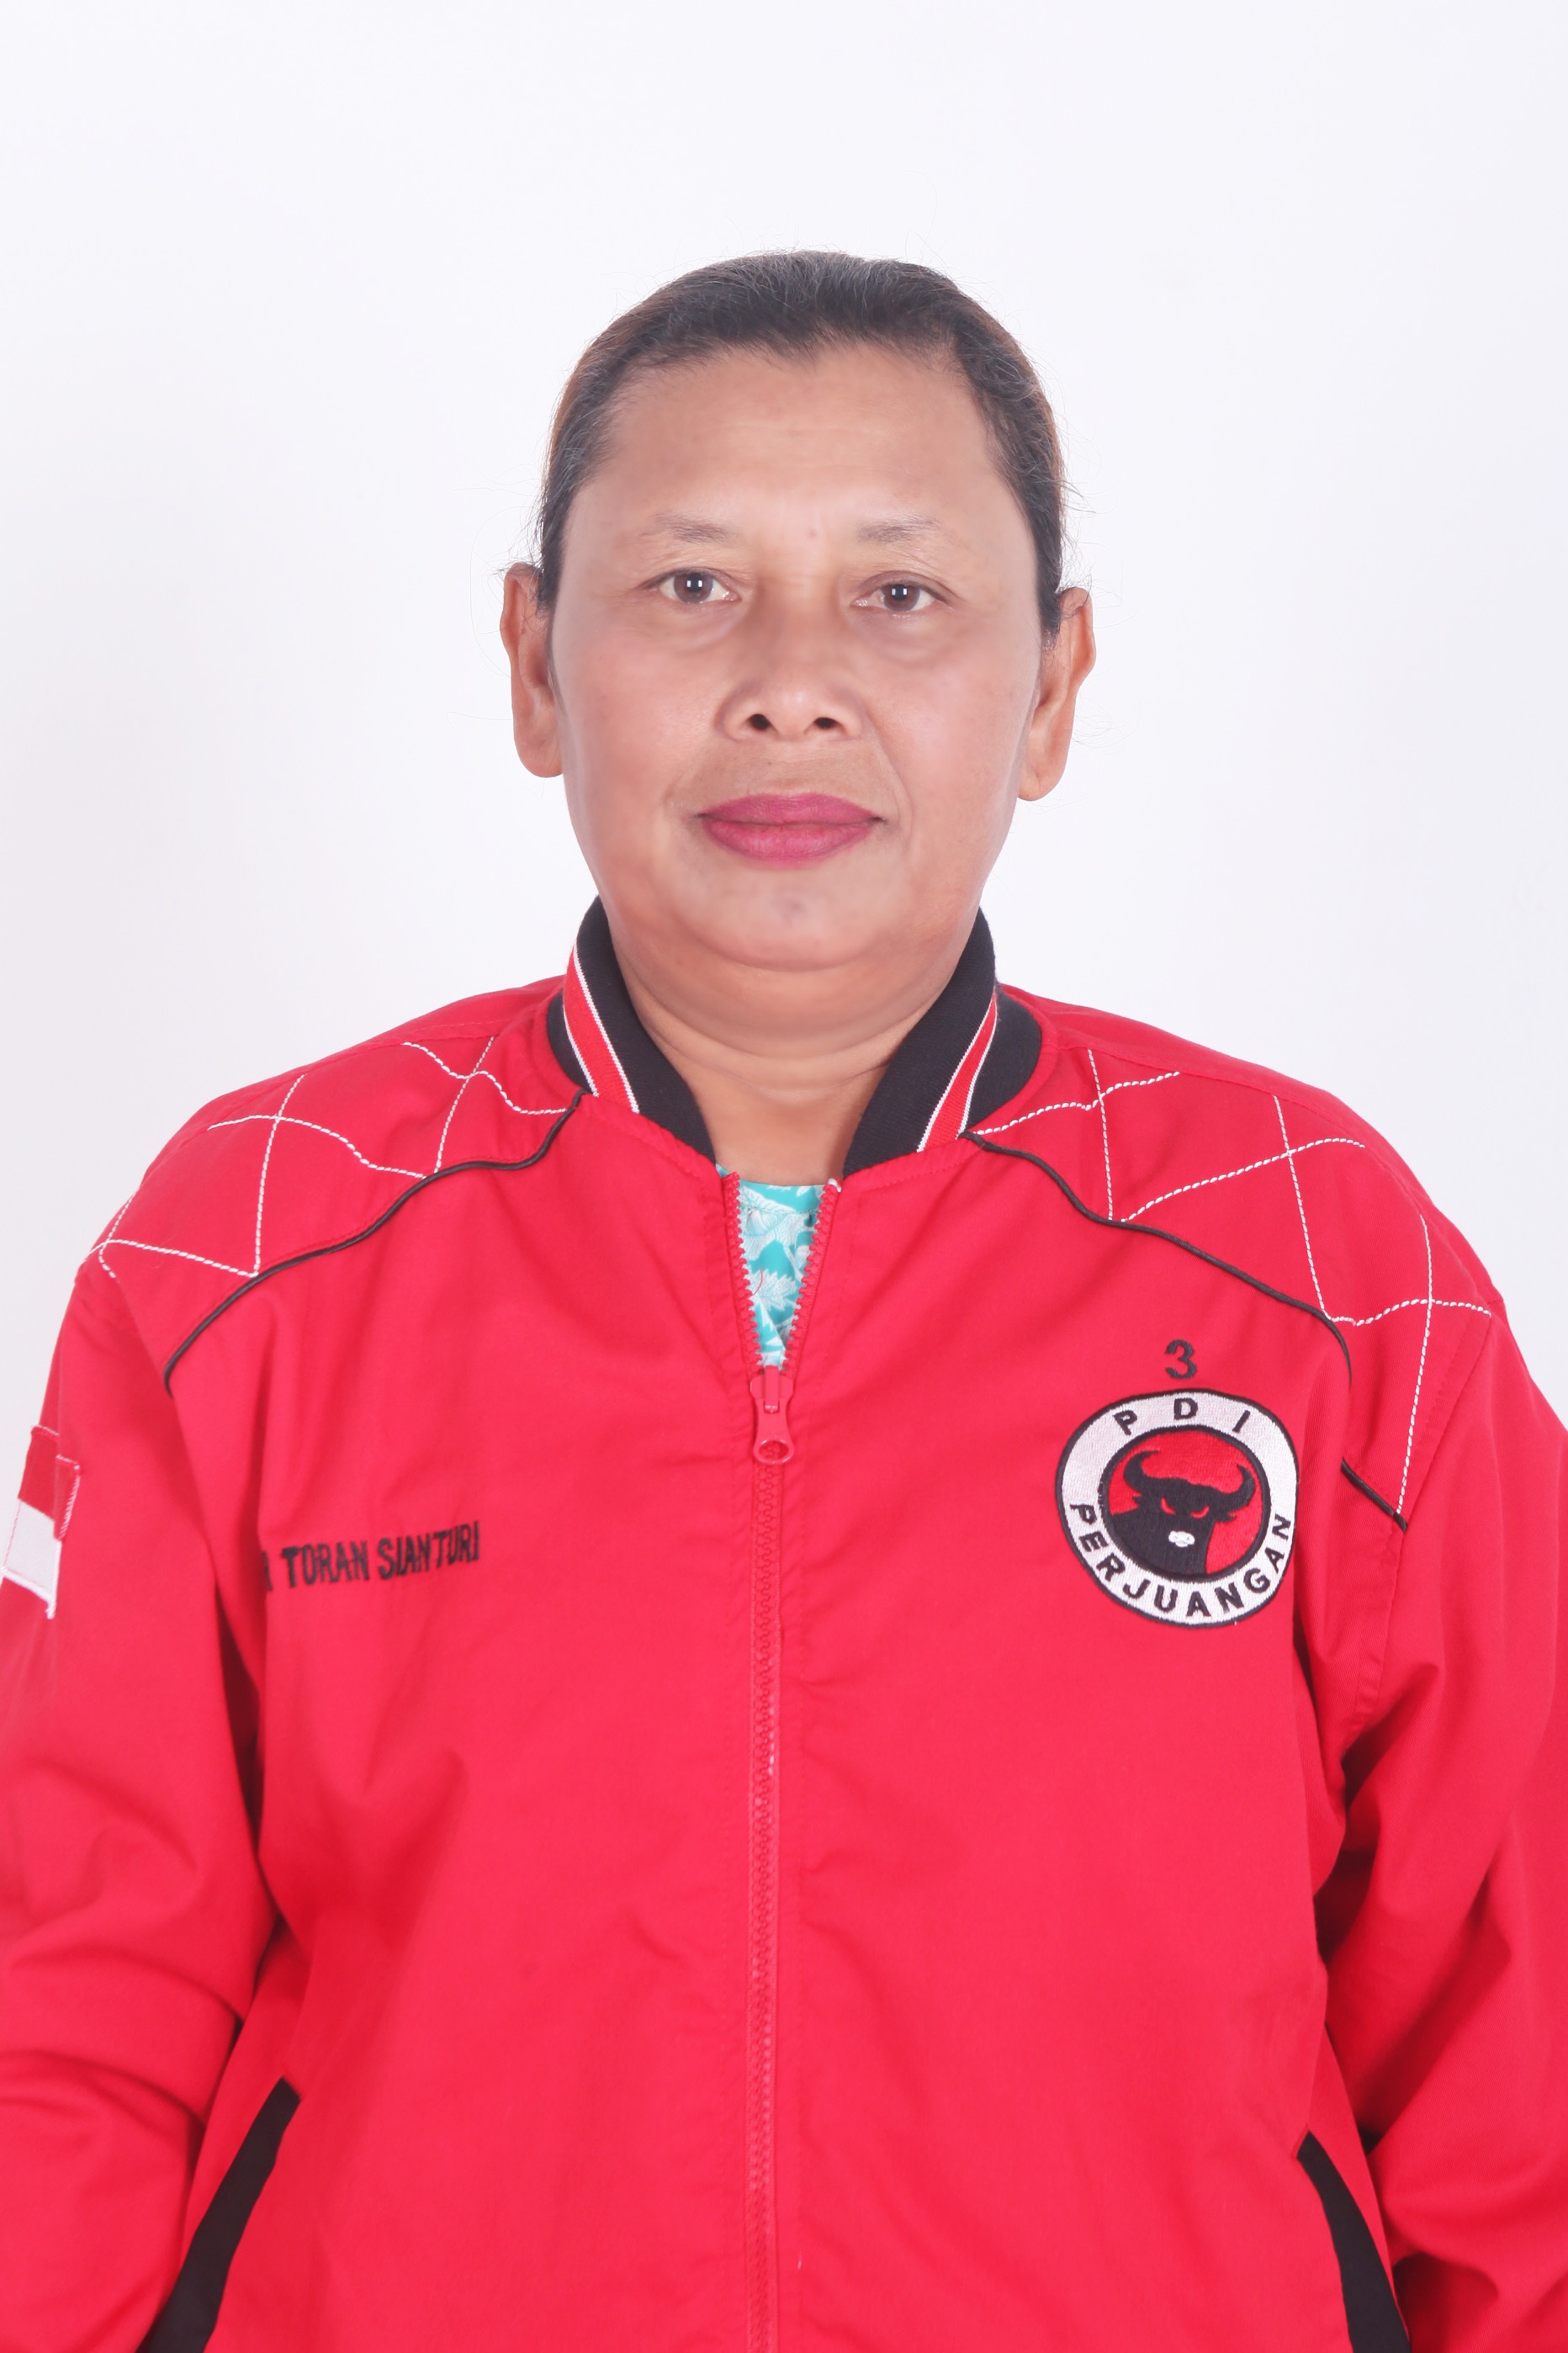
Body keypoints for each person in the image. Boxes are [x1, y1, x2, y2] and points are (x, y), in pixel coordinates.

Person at [0, 252, 1563, 2353]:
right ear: (535, 665)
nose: (791, 684)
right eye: (690, 587)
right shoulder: (253, 1244)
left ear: (1051, 683)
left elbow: (1520, 2052)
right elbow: (63, 2015)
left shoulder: (1324, 1264)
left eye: (898, 595)